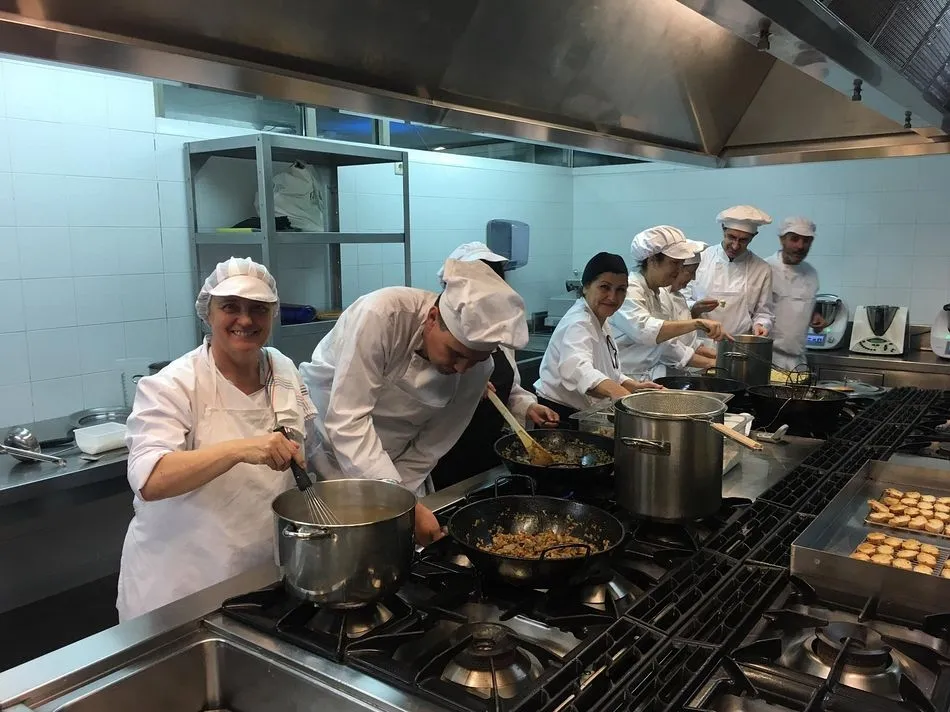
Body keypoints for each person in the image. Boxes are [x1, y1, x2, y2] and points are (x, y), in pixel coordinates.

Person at [117, 257, 317, 622]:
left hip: (261, 577)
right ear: (208, 314)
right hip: (181, 587)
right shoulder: (173, 384)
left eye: (258, 309)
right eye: (230, 307)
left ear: (273, 316)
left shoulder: (282, 369)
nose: (245, 320)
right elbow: (149, 480)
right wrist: (244, 448)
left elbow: (308, 449)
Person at [299, 258, 529, 541]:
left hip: (397, 464)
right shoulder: (383, 316)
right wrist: (398, 499)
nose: (460, 369)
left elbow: (432, 446)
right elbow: (347, 419)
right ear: (432, 318)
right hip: (328, 450)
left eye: (474, 359)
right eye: (455, 353)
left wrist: (401, 499)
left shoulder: (480, 369)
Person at [430, 243, 559, 489]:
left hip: (487, 452)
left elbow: (510, 388)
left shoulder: (499, 332)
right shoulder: (438, 337)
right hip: (442, 456)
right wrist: (464, 387)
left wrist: (528, 406)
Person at [534, 252, 662, 423]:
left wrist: (632, 386)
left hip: (576, 411)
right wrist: (620, 394)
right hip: (556, 415)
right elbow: (577, 369)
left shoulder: (600, 320)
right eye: (605, 287)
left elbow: (605, 369)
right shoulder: (579, 322)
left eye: (621, 290)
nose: (612, 297)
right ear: (586, 286)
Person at [611, 226, 729, 381]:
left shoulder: (655, 293)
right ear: (652, 260)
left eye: (681, 264)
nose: (679, 270)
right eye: (674, 263)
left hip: (641, 379)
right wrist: (697, 323)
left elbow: (666, 343)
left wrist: (715, 362)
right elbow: (645, 331)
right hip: (622, 379)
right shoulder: (630, 289)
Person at [689, 205, 774, 336]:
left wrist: (760, 325)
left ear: (753, 236)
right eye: (731, 237)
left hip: (739, 343)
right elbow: (680, 301)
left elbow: (763, 312)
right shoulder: (700, 259)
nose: (735, 245)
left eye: (743, 240)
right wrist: (694, 307)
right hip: (700, 342)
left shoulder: (762, 269)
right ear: (723, 229)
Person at [766, 217, 822, 371]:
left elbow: (801, 305)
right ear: (782, 240)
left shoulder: (811, 273)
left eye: (806, 241)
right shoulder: (765, 269)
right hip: (767, 358)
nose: (800, 246)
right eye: (794, 239)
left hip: (798, 359)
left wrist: (814, 316)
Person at [660, 245, 720, 372]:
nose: (693, 278)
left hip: (678, 372)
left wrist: (720, 357)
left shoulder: (678, 296)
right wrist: (712, 362)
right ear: (676, 270)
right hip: (661, 372)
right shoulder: (661, 296)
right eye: (691, 272)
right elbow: (668, 348)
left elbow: (690, 342)